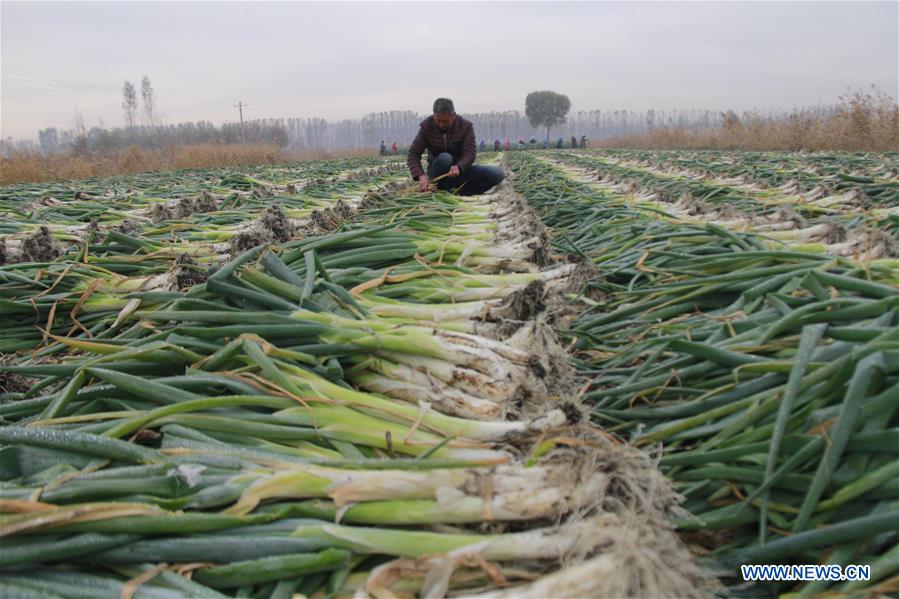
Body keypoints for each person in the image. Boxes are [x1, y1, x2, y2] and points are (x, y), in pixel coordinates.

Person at [406, 97, 504, 196]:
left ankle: (461, 193)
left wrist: (459, 166)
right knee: (445, 158)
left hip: (459, 171)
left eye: (445, 121)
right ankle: (442, 188)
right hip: (438, 174)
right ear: (434, 115)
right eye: (438, 120)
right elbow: (413, 154)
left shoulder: (465, 126)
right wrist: (421, 176)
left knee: (497, 174)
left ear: (453, 115)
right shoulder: (426, 127)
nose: (441, 124)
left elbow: (470, 153)